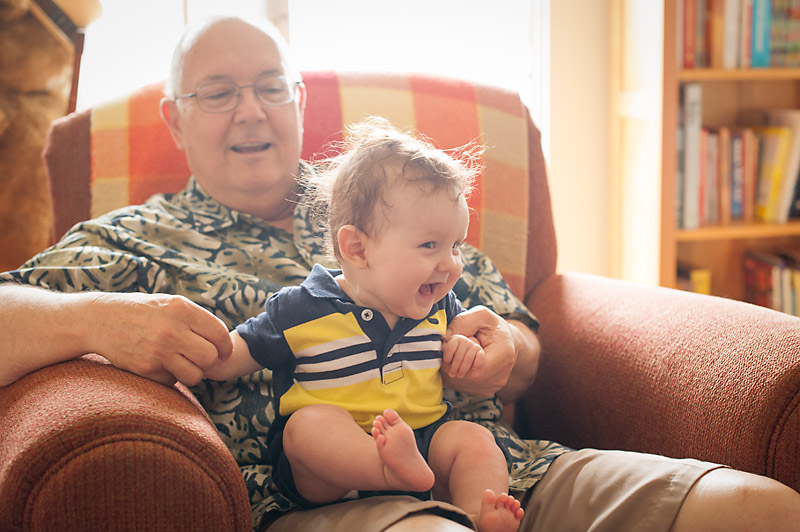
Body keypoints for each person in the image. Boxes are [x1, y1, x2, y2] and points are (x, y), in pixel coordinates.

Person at [1, 14, 800, 532]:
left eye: (271, 87)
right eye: (217, 93)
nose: (250, 111)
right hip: (339, 502)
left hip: (503, 480)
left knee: (761, 511)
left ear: (300, 99)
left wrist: (504, 351)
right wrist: (91, 321)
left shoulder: (403, 202)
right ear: (175, 117)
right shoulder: (136, 241)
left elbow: (520, 334)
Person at [204, 117, 524, 532]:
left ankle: (480, 515)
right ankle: (386, 470)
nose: (450, 264)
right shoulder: (303, 308)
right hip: (325, 481)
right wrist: (197, 353)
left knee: (471, 439)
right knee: (308, 428)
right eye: (430, 245)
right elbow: (232, 355)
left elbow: (464, 342)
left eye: (456, 245)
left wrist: (466, 352)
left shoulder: (439, 304)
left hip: (421, 441)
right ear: (357, 248)